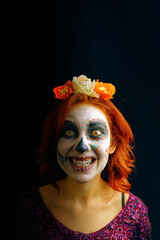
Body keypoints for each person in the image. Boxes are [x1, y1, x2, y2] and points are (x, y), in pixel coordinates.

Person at [15, 75, 152, 239]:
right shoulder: (31, 206)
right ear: (55, 141)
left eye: (95, 133)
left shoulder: (135, 213)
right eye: (69, 132)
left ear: (113, 144)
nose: (82, 146)